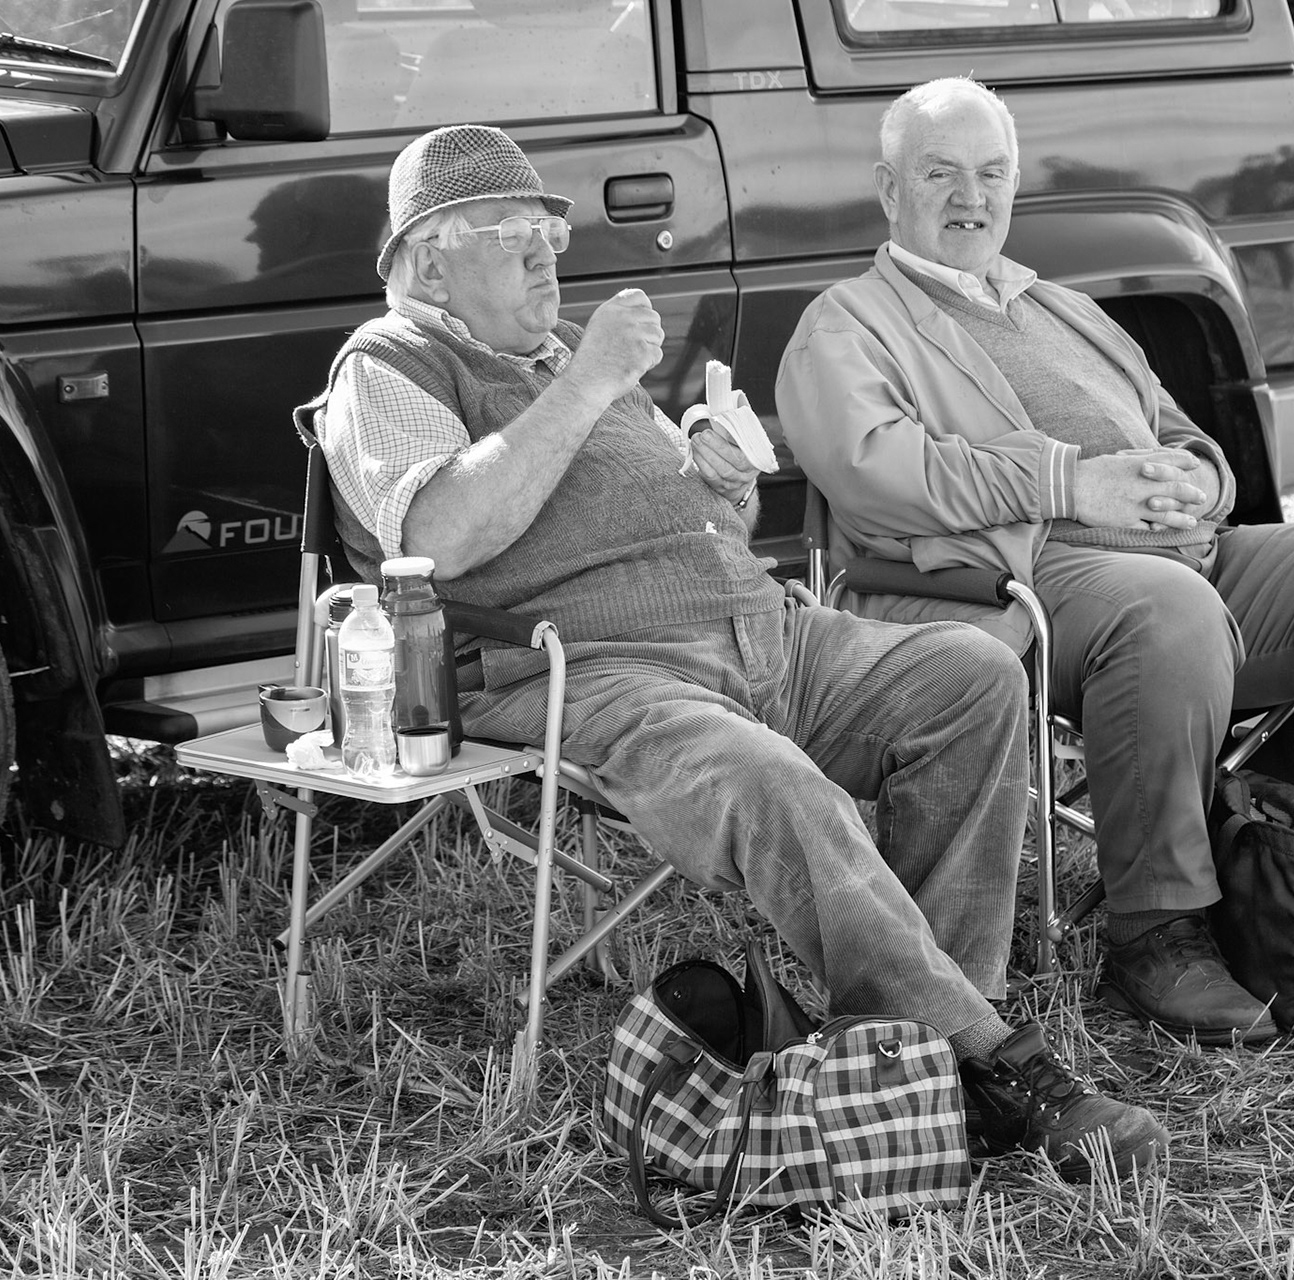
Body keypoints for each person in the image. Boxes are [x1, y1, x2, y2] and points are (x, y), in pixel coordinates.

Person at [296, 125, 1167, 1180]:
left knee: (972, 675)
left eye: (548, 233)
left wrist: (721, 480)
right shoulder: (387, 366)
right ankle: (990, 1059)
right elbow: (437, 535)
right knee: (777, 783)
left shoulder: (564, 355)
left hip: (765, 630)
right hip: (605, 670)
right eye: (513, 235)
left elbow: (673, 509)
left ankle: (915, 1055)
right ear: (429, 257)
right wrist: (587, 386)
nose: (546, 259)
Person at [776, 78, 1294, 1048]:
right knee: (1168, 609)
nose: (970, 195)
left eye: (991, 172)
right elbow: (872, 472)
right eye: (940, 173)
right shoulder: (847, 323)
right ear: (890, 188)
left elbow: (1175, 426)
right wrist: (1070, 482)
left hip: (1184, 554)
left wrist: (1200, 476)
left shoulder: (1058, 305)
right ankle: (1159, 930)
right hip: (1021, 575)